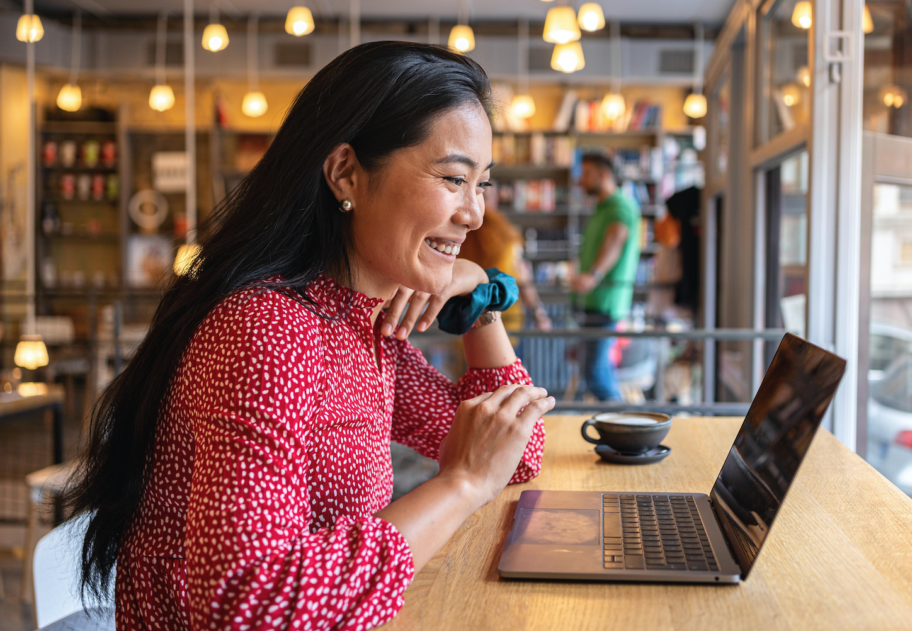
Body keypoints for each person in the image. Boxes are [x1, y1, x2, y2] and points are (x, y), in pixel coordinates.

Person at [64, 42, 555, 631]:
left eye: (482, 185)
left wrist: (481, 299)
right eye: (454, 178)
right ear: (346, 172)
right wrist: (459, 484)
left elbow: (516, 451)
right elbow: (246, 605)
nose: (474, 213)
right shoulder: (268, 331)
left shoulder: (361, 325)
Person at [571, 153, 641, 401]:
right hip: (595, 301)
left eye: (586, 174)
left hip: (606, 302)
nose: (581, 181)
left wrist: (593, 275)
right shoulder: (602, 207)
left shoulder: (620, 205)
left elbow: (616, 238)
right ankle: (622, 425)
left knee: (595, 373)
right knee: (598, 371)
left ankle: (625, 427)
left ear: (603, 175)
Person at [459, 187, 552, 333]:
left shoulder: (459, 235)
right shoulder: (507, 238)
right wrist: (539, 314)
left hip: (466, 320)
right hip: (504, 322)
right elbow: (523, 279)